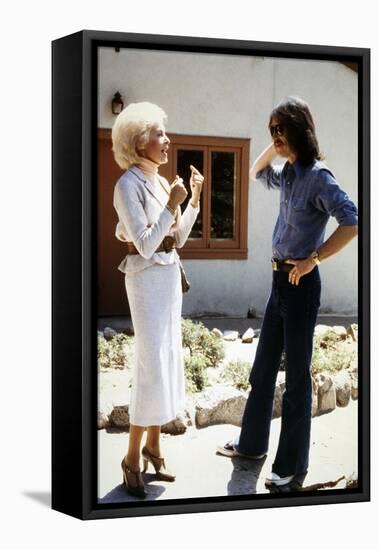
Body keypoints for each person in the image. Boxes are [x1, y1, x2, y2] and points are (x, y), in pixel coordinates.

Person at [217, 96, 358, 487]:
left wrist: (315, 258)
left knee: (296, 379)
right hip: (278, 282)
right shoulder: (291, 172)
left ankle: (292, 466)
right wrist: (276, 143)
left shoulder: (318, 176)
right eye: (271, 129)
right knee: (262, 371)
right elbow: (255, 170)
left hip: (300, 284)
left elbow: (353, 221)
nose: (276, 136)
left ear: (300, 128)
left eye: (281, 129)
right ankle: (250, 445)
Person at [112, 102, 204, 498]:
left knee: (164, 359)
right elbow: (146, 246)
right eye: (159, 134)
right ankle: (131, 456)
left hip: (168, 279)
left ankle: (154, 446)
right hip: (146, 279)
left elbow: (177, 239)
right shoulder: (127, 186)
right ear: (138, 142)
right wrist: (171, 205)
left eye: (165, 133)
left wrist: (194, 199)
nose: (167, 141)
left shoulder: (164, 182)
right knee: (150, 365)